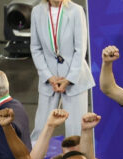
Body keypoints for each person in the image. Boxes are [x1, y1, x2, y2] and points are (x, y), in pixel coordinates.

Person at [29, 0, 94, 143]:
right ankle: (34, 157)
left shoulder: (76, 11)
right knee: (40, 129)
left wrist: (69, 78)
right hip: (49, 80)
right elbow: (35, 48)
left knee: (76, 132)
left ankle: (76, 157)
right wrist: (48, 76)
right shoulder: (37, 12)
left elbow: (80, 49)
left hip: (75, 79)